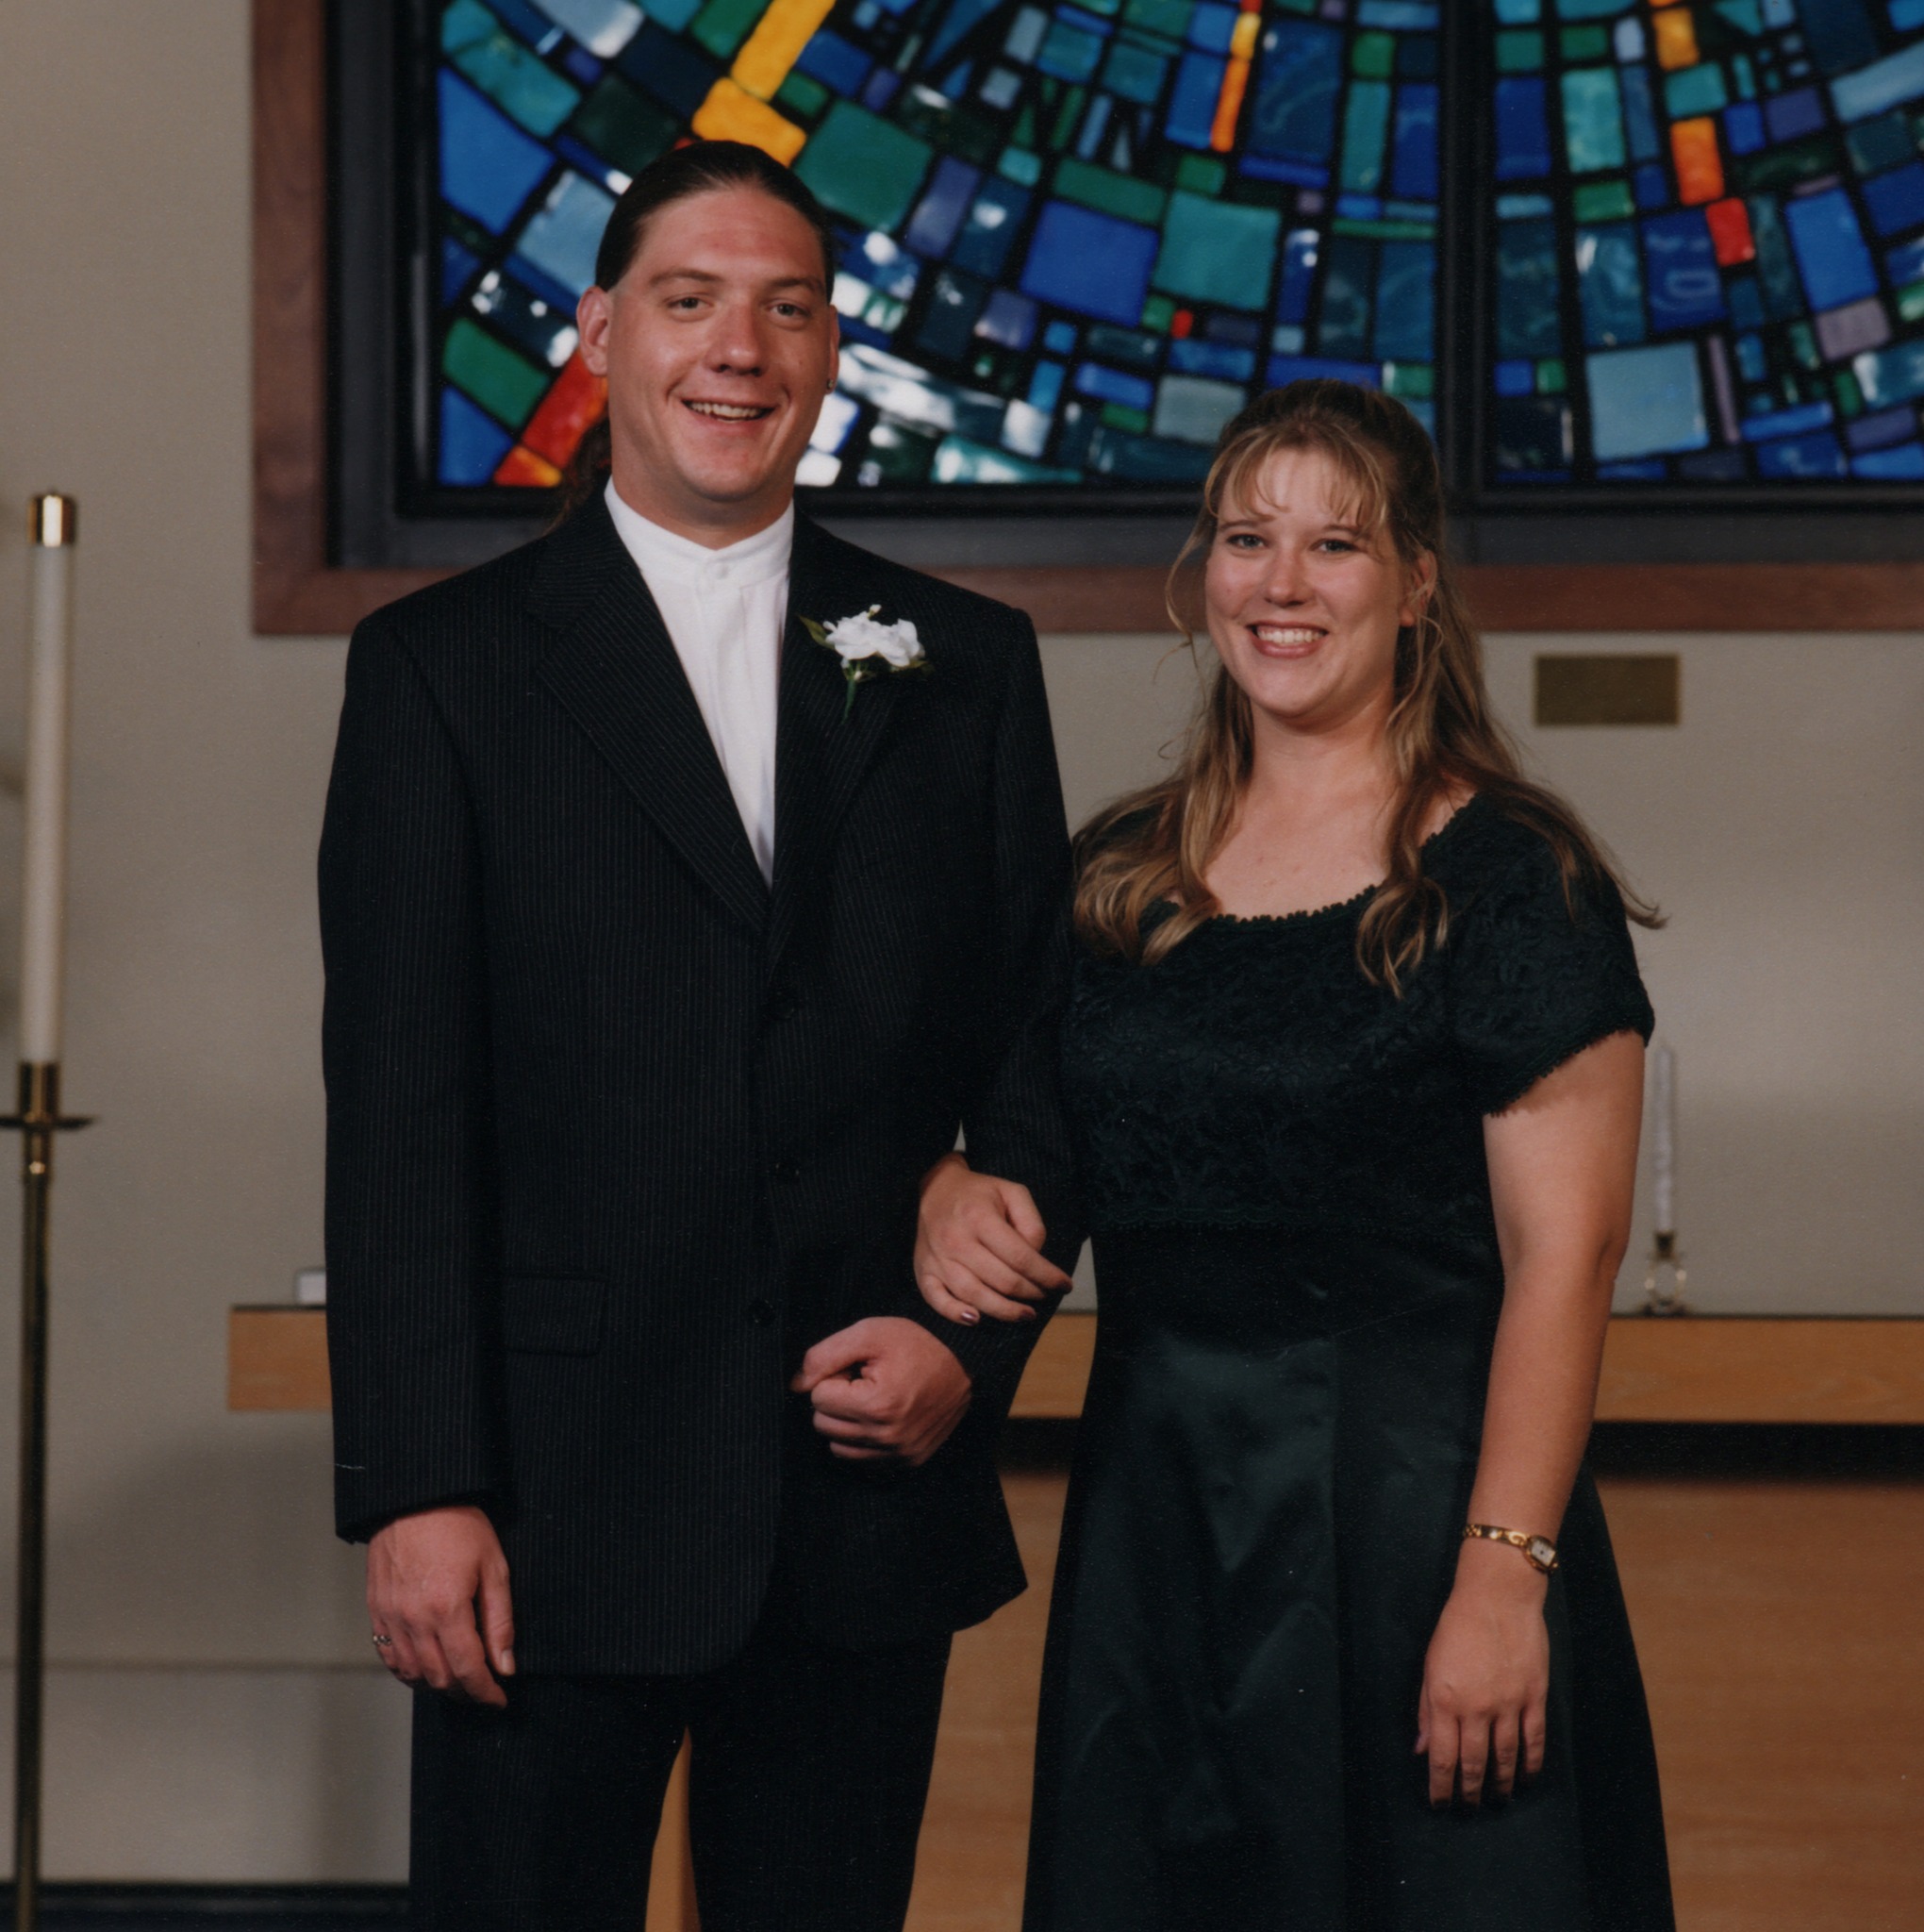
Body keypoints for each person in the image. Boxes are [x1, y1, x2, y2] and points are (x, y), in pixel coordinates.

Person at [319, 141, 1078, 1932]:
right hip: (547, 1511)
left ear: (830, 354)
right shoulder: (440, 668)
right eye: (690, 300)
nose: (741, 347)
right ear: (599, 334)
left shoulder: (964, 663)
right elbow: (399, 1115)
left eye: (787, 308)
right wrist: (419, 1491)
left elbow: (1047, 1045)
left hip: (859, 1498)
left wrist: (969, 1349)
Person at [916, 382, 1676, 1929]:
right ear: (1202, 571)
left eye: (1337, 544)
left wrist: (1503, 1579)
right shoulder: (1119, 878)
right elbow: (1031, 1148)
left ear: (1417, 585)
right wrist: (940, 1184)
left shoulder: (1510, 879)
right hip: (1156, 1537)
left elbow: (1569, 1258)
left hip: (1417, 1524)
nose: (1283, 583)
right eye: (1247, 538)